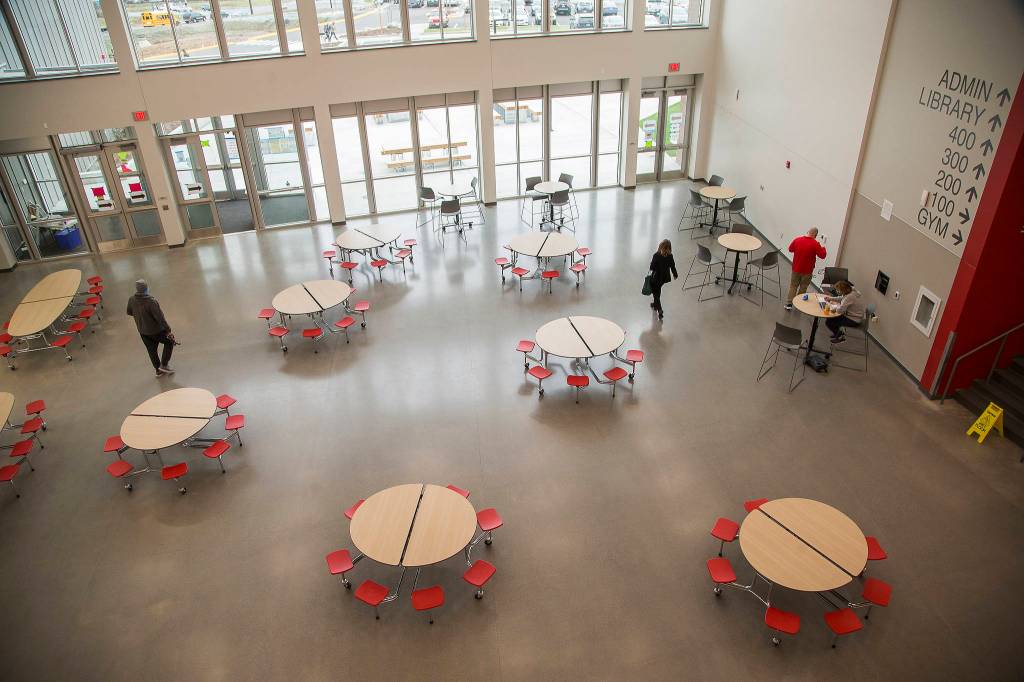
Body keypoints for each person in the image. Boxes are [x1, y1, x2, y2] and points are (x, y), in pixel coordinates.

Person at [127, 279, 177, 377]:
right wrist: (168, 330)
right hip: (156, 331)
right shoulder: (151, 301)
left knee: (151, 350)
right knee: (169, 342)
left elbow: (129, 312)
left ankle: (158, 370)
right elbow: (160, 318)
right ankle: (164, 365)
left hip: (143, 331)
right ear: (146, 289)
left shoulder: (131, 299)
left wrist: (140, 317)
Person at [785, 227, 827, 310]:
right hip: (807, 271)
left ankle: (789, 304)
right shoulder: (815, 244)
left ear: (807, 232)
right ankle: (798, 304)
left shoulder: (797, 240)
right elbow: (822, 256)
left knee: (793, 286)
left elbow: (790, 249)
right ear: (815, 235)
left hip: (796, 269)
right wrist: (823, 246)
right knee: (803, 287)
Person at [648, 239, 679, 320]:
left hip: (655, 278)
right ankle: (655, 304)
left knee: (656, 293)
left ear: (660, 246)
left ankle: (660, 310)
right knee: (657, 290)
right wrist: (675, 274)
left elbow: (652, 267)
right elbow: (673, 266)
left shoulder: (656, 255)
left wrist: (650, 269)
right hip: (664, 278)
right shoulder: (670, 256)